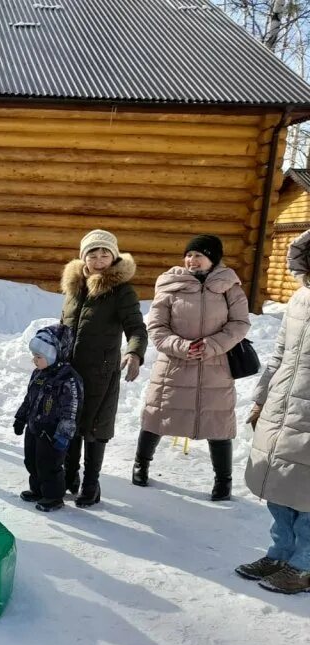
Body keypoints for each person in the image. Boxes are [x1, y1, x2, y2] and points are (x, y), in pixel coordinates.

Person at [132, 235, 250, 500]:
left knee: (218, 422)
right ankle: (141, 464)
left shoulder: (229, 286)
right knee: (156, 414)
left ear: (213, 259)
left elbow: (240, 323)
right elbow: (157, 327)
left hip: (215, 365)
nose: (192, 260)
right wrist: (181, 346)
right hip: (174, 365)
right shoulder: (170, 285)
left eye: (199, 255)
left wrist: (213, 345)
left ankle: (223, 481)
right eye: (189, 255)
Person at [235, 233, 310, 593]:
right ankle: (280, 552)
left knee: (308, 494)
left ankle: (304, 566)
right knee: (279, 483)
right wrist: (262, 398)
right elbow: (279, 353)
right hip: (284, 404)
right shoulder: (300, 297)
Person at [59, 229, 147, 507]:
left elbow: (136, 328)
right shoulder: (75, 287)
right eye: (93, 253)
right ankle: (69, 476)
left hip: (101, 371)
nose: (99, 259)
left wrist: (133, 353)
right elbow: (65, 325)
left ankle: (91, 483)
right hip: (68, 371)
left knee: (95, 429)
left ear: (114, 256)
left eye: (105, 254)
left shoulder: (122, 291)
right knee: (69, 425)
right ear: (84, 257)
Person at [13, 325, 83, 512]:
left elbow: (71, 410)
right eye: (34, 355)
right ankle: (37, 490)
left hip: (53, 432)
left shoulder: (68, 379)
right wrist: (21, 418)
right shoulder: (38, 374)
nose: (34, 360)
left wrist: (64, 434)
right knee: (32, 460)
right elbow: (29, 399)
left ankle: (53, 497)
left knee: (49, 465)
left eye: (38, 357)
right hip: (34, 426)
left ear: (54, 355)